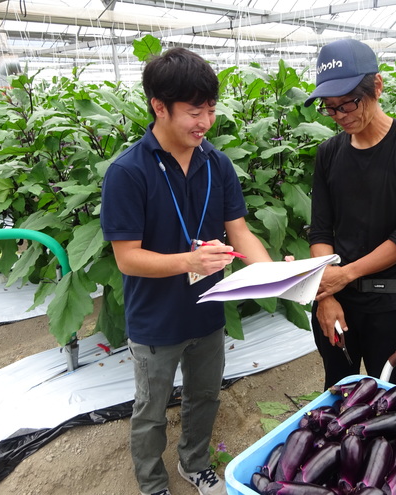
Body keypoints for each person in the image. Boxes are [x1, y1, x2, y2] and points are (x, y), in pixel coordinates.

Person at [100, 47, 272, 495]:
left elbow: (240, 231)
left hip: (207, 311)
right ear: (159, 106)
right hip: (156, 321)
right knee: (151, 409)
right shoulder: (128, 172)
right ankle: (152, 482)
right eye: (195, 112)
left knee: (204, 396)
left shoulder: (216, 164)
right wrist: (189, 262)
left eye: (211, 110)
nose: (206, 122)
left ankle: (194, 463)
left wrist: (274, 274)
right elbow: (127, 258)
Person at [304, 39, 396, 390]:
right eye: (330, 108)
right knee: (338, 395)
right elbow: (320, 231)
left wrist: (345, 275)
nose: (341, 115)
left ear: (377, 86)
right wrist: (327, 296)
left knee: (391, 401)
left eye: (349, 103)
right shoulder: (329, 153)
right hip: (337, 305)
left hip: (392, 307)